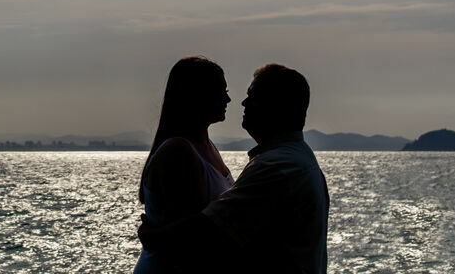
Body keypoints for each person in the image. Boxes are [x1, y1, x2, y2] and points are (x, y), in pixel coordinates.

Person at [139, 63, 329, 273]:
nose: (242, 102)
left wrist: (153, 238)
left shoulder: (277, 167)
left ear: (275, 105)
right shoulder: (293, 159)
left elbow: (210, 230)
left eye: (253, 96)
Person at [134, 56, 235, 274]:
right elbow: (193, 234)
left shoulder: (208, 147)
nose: (228, 99)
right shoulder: (178, 151)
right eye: (221, 91)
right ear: (197, 95)